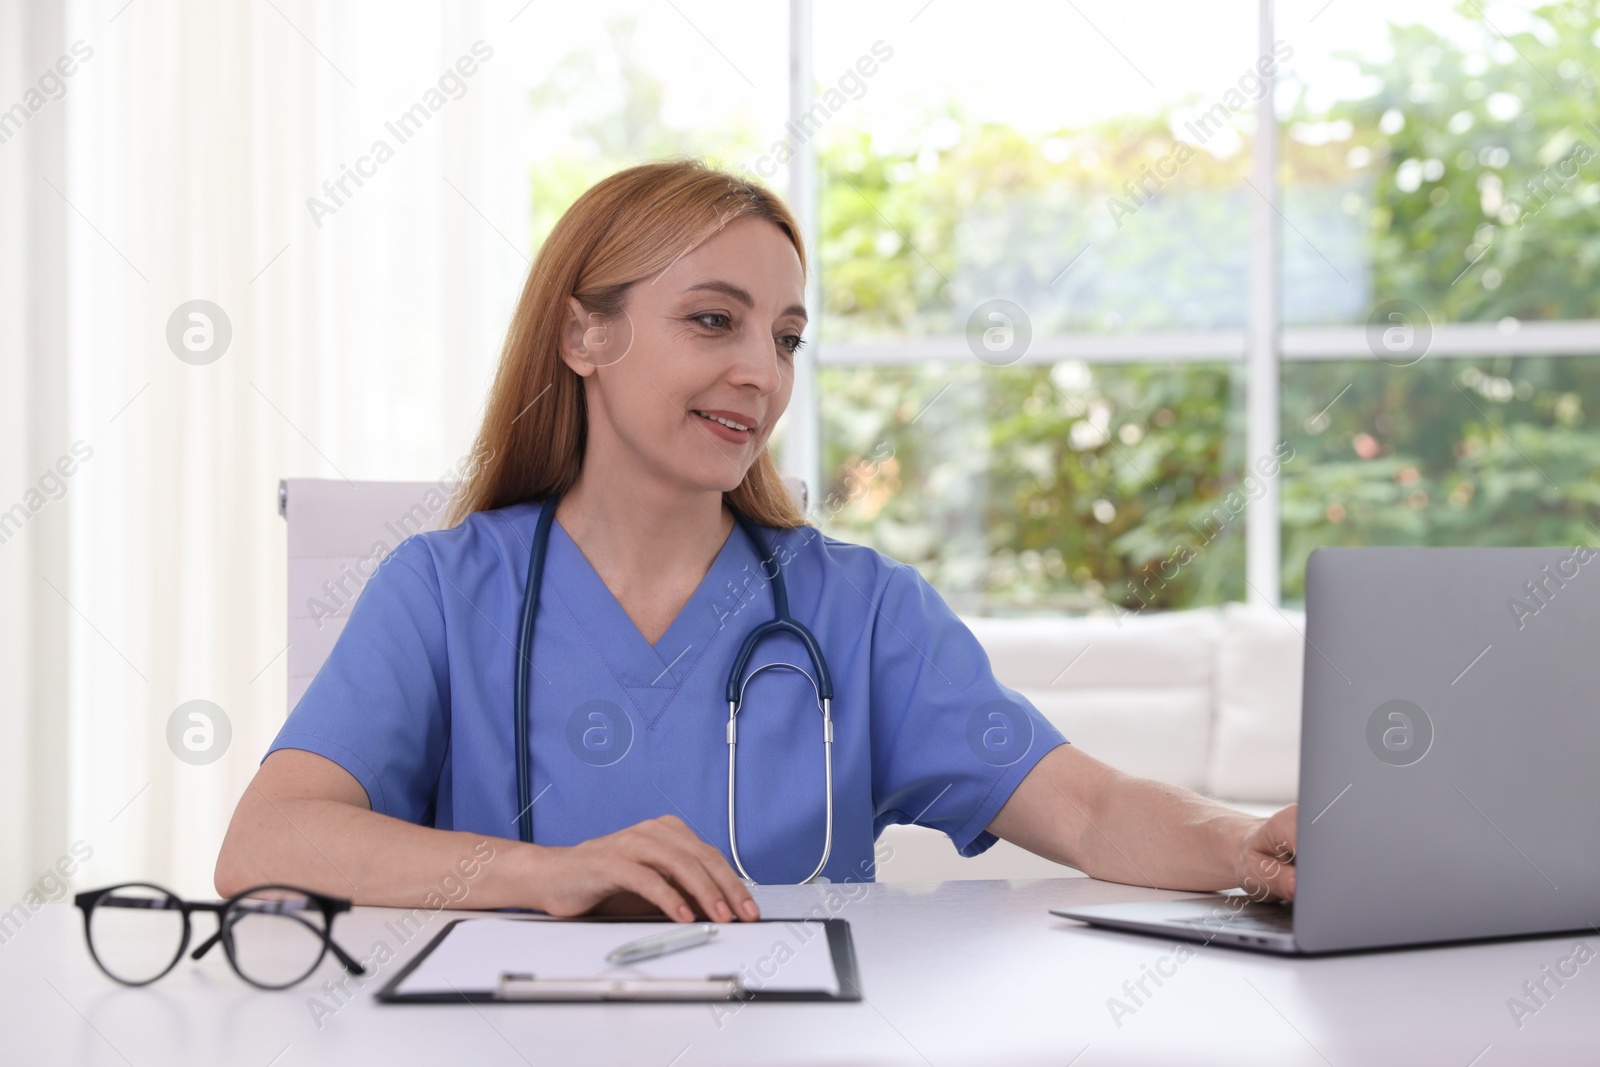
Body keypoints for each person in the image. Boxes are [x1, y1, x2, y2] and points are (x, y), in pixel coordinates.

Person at [215, 160, 1297, 923]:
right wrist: (542, 873)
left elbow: (1090, 806)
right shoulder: (443, 588)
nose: (761, 373)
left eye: (785, 338)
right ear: (584, 332)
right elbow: (265, 844)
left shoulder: (859, 609)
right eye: (712, 320)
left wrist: (1243, 842)